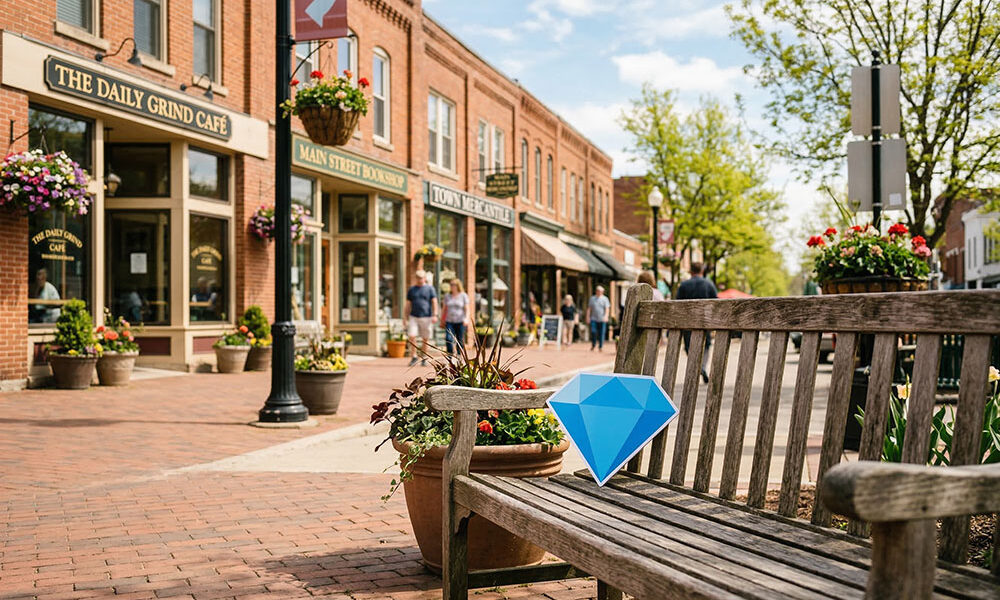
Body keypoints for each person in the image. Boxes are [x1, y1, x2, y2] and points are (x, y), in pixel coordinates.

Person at [677, 262, 718, 383]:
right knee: (706, 346)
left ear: (691, 271)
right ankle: (702, 367)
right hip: (704, 322)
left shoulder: (684, 285)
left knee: (689, 347)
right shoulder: (708, 284)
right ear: (702, 270)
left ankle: (697, 366)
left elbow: (677, 303)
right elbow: (716, 302)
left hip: (688, 323)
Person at [404, 270, 438, 366]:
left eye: (421, 278)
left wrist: (435, 315)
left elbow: (434, 302)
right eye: (418, 278)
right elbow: (407, 304)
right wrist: (404, 317)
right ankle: (414, 356)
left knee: (425, 338)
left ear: (424, 278)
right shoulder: (412, 289)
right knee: (412, 336)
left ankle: (424, 357)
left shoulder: (430, 289)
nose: (419, 280)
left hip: (426, 316)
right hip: (413, 316)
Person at [440, 278, 470, 356]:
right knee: (448, 338)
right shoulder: (447, 296)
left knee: (460, 340)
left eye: (453, 285)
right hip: (449, 321)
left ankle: (459, 356)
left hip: (460, 321)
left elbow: (467, 309)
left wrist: (467, 318)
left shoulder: (463, 295)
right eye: (451, 285)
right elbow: (444, 309)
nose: (451, 286)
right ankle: (450, 355)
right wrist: (442, 319)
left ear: (458, 285)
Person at [585, 285, 611, 352]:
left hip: (602, 319)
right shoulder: (592, 298)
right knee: (593, 332)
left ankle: (600, 346)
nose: (599, 292)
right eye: (598, 291)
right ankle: (593, 345)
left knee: (601, 333)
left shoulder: (605, 299)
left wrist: (606, 316)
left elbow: (607, 309)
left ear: (602, 292)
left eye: (601, 291)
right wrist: (587, 317)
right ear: (596, 291)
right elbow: (589, 309)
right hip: (593, 318)